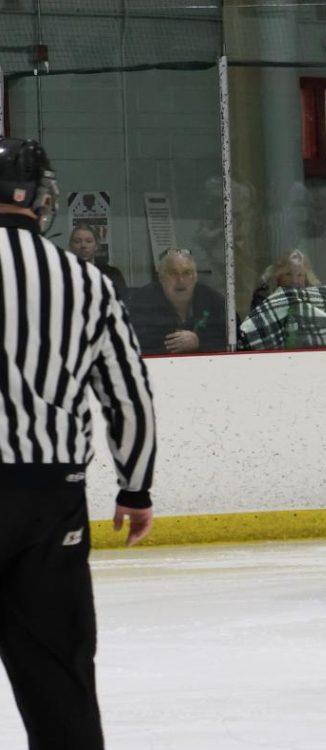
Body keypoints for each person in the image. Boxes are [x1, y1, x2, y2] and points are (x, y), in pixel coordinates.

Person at [0, 137, 156, 750]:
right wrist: (135, 486)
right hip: (47, 501)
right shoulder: (84, 282)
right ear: (42, 201)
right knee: (60, 684)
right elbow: (129, 397)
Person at [238, 250, 326, 350]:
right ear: (278, 277)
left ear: (306, 277)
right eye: (288, 274)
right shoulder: (264, 296)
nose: (294, 280)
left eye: (300, 275)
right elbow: (257, 325)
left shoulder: (318, 294)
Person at [126, 247, 226, 355]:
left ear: (195, 277)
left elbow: (231, 339)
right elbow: (132, 346)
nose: (180, 280)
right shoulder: (140, 303)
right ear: (161, 278)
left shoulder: (213, 301)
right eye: (173, 273)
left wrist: (199, 342)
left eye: (187, 273)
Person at [68, 224, 128, 300]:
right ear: (70, 246)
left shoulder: (112, 273)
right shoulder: (63, 273)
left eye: (89, 241)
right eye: (77, 241)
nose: (83, 245)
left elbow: (123, 303)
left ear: (96, 246)